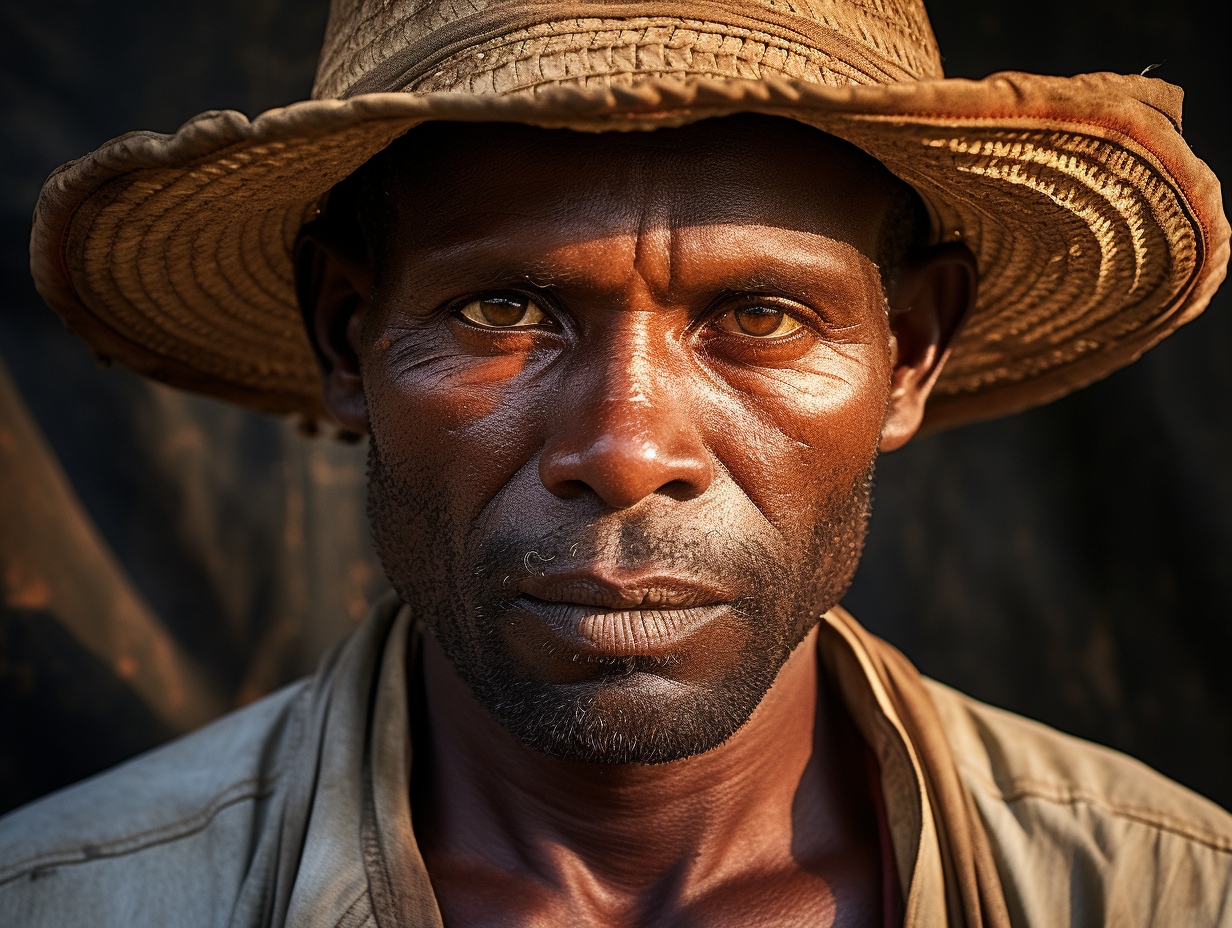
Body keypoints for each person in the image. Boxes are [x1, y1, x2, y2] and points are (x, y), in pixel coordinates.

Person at [2, 0, 1229, 924]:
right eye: (500, 312)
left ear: (907, 355)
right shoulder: (64, 900)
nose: (628, 450)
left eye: (759, 316)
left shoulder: (1168, 891)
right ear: (347, 337)